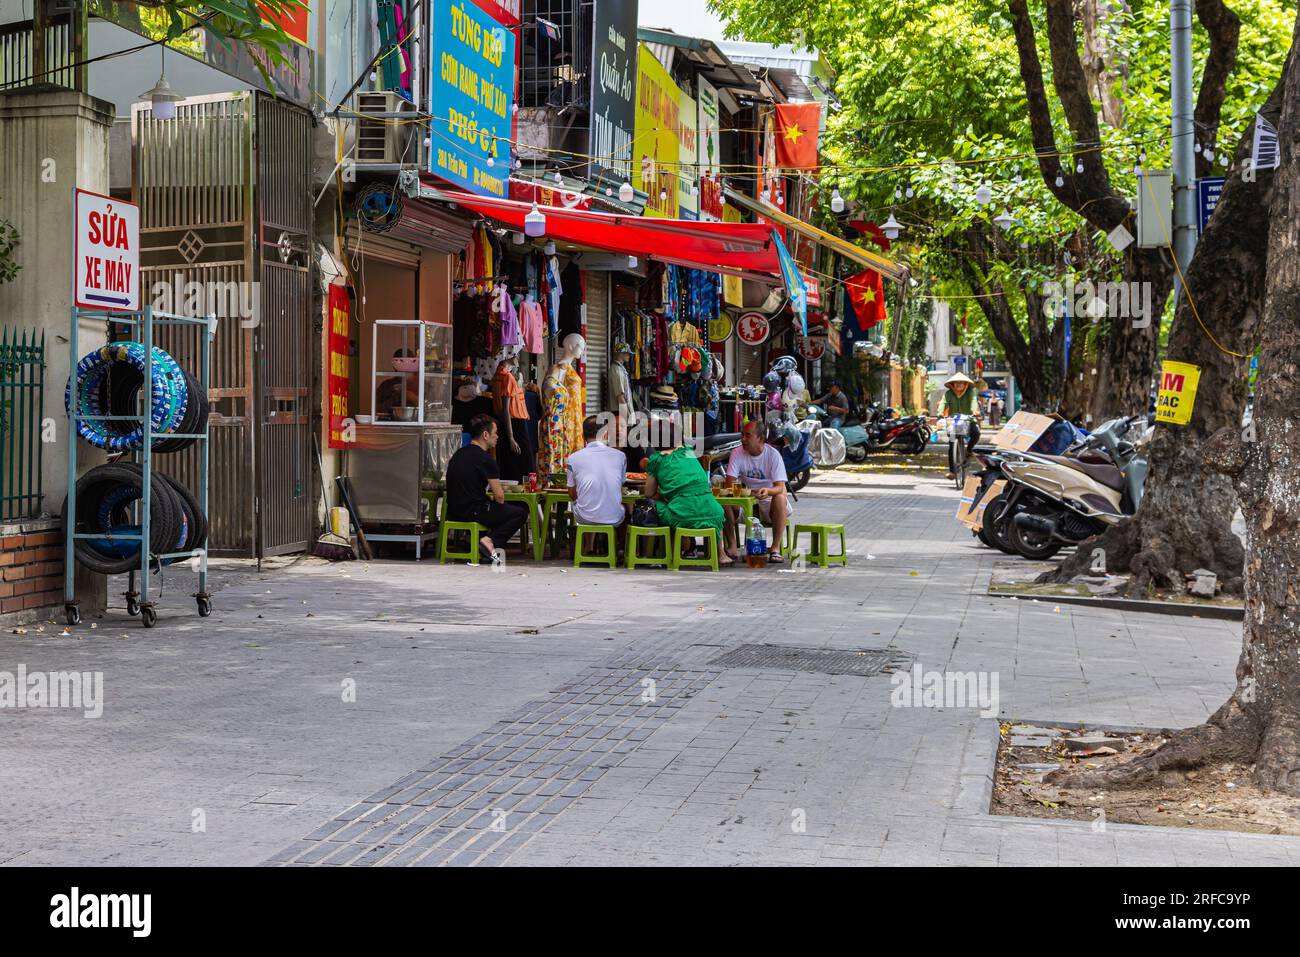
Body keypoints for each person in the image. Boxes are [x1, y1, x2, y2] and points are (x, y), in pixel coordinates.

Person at [643, 425, 733, 566]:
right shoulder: (689, 452)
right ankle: (720, 554)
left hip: (681, 516)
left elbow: (648, 493)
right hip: (713, 513)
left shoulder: (656, 459)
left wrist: (662, 495)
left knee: (655, 504)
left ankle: (669, 551)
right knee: (696, 505)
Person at [444, 414, 528, 561]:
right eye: (495, 433)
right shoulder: (486, 459)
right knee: (520, 513)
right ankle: (490, 541)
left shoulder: (458, 454)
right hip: (474, 511)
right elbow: (500, 497)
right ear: (485, 435)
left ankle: (470, 543)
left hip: (453, 511)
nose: (497, 437)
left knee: (493, 509)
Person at [724, 419, 791, 563]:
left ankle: (775, 548)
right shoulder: (736, 453)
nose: (743, 439)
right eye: (742, 435)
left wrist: (766, 491)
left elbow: (780, 487)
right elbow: (729, 484)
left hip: (769, 501)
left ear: (760, 438)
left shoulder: (773, 455)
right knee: (724, 502)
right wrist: (744, 491)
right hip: (746, 500)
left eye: (748, 435)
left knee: (780, 497)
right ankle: (733, 546)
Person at [567, 416, 628, 530]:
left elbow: (571, 494)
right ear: (605, 435)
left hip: (584, 518)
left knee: (585, 506)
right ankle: (613, 546)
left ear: (583, 437)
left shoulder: (572, 458)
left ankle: (589, 546)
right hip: (614, 518)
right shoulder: (620, 456)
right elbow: (619, 486)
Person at [941, 371, 981, 479]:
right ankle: (952, 472)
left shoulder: (970, 392)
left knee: (976, 433)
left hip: (968, 420)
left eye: (961, 383)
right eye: (956, 383)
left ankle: (969, 450)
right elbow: (943, 403)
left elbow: (973, 402)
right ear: (952, 384)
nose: (959, 385)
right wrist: (940, 412)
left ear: (965, 384)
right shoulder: (948, 394)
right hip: (953, 422)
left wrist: (975, 411)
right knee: (952, 444)